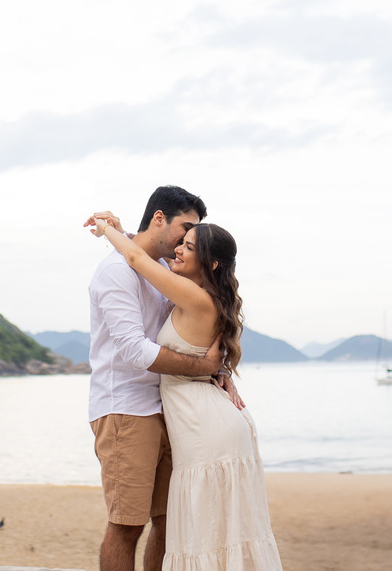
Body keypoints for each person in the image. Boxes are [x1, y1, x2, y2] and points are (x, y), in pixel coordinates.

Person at [91, 216, 283, 571]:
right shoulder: (201, 295)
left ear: (211, 264)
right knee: (212, 528)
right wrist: (214, 369)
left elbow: (136, 257)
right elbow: (148, 249)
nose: (178, 249)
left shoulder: (194, 296)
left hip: (204, 425)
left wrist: (108, 230)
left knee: (207, 530)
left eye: (189, 246)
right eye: (181, 241)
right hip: (203, 418)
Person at [87, 185, 227, 571]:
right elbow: (136, 351)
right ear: (159, 218)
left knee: (168, 523)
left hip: (168, 407)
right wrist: (204, 368)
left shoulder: (164, 269)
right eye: (186, 228)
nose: (187, 240)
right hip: (126, 408)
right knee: (127, 525)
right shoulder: (116, 271)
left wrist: (221, 370)